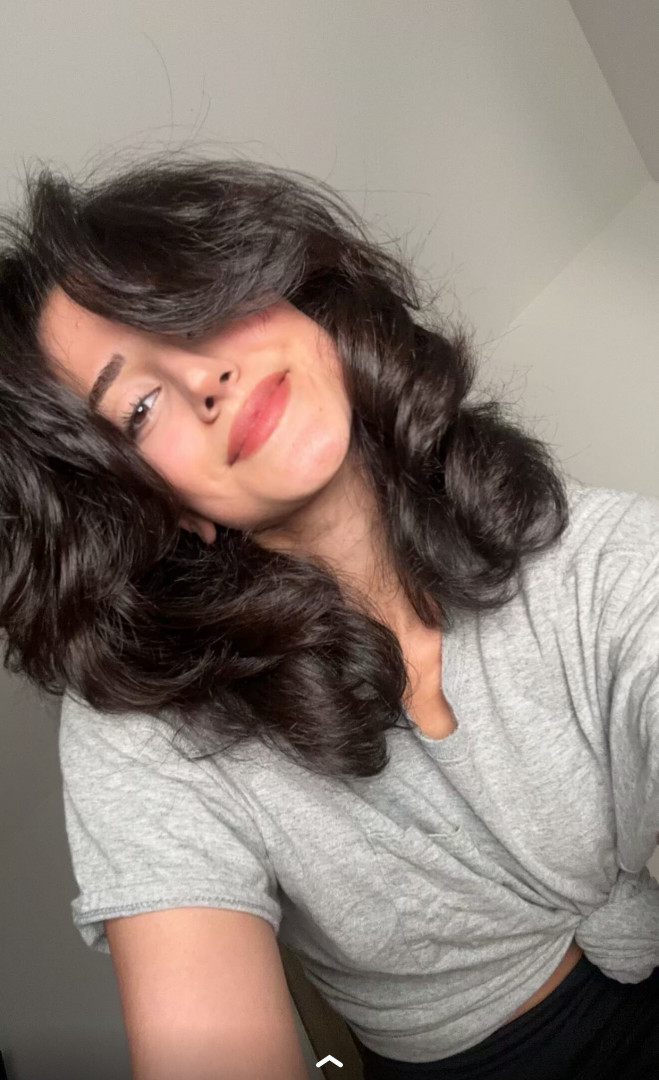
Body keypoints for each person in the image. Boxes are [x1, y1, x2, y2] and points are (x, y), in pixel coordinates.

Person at [0, 156, 658, 1080]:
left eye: (192, 309)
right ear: (148, 506)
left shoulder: (601, 555)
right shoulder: (146, 727)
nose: (203, 375)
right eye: (140, 408)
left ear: (296, 299)